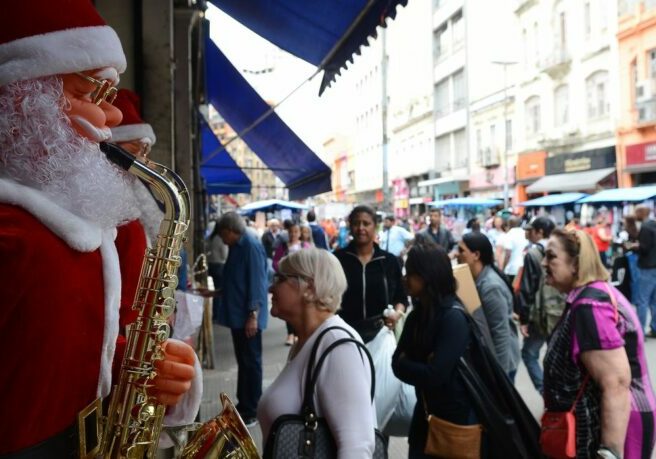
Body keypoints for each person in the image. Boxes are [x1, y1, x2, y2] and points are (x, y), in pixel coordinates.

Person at [0, 2, 197, 454]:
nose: (109, 123)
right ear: (20, 101)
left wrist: (144, 365)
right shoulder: (14, 233)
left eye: (111, 99)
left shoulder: (93, 229)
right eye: (91, 94)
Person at [542, 229, 656, 459]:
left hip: (615, 425)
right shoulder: (590, 294)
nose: (544, 262)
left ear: (576, 263)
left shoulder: (590, 306)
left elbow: (616, 383)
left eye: (551, 256)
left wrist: (610, 452)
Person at [258, 249, 376, 457]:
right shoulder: (307, 341)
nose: (271, 286)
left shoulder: (337, 345)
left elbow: (357, 447)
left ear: (309, 288)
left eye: (280, 278)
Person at [392, 242, 480, 458]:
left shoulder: (453, 317)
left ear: (427, 276)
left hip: (453, 423)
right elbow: (395, 364)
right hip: (423, 417)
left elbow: (435, 375)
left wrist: (409, 362)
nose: (405, 278)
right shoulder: (416, 316)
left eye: (411, 272)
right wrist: (418, 364)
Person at [216, 211, 269, 426]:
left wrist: (252, 315)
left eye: (223, 234)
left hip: (247, 317)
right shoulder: (237, 246)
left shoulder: (250, 246)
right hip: (239, 315)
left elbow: (257, 282)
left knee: (251, 362)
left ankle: (252, 409)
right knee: (244, 361)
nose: (222, 239)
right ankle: (244, 403)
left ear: (230, 230)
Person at [334, 205, 408, 343]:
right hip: (344, 335)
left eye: (366, 223)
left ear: (375, 227)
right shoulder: (338, 260)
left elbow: (401, 297)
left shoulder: (389, 261)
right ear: (350, 226)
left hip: (381, 335)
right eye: (356, 223)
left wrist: (397, 314)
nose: (361, 228)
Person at [458, 233, 520, 381]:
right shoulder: (477, 279)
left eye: (462, 251)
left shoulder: (491, 286)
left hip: (502, 363)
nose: (457, 254)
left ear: (476, 255)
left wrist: (500, 377)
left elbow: (500, 333)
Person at [517, 216, 563, 394]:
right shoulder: (561, 250)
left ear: (540, 232)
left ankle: (546, 393)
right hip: (560, 311)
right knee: (556, 355)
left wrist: (524, 319)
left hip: (540, 314)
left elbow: (527, 289)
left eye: (532, 230)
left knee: (529, 354)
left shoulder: (534, 254)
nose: (529, 233)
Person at [274, 222, 312, 345]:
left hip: (301, 282)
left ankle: (298, 333)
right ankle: (290, 334)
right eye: (291, 232)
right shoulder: (283, 247)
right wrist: (281, 270)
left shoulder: (305, 246)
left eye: (296, 232)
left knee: (301, 307)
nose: (293, 234)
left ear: (300, 233)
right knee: (288, 307)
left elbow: (310, 262)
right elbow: (275, 261)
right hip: (286, 281)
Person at [631, 206, 656, 335]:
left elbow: (644, 248)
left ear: (641, 213)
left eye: (636, 211)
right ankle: (654, 327)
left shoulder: (645, 227)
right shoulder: (653, 224)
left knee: (643, 300)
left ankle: (640, 330)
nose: (634, 214)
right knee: (653, 300)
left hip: (647, 266)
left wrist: (635, 247)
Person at [500, 216, 528, 285]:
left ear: (509, 224)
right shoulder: (525, 233)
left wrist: (503, 268)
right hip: (523, 268)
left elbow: (507, 254)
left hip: (511, 269)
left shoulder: (509, 235)